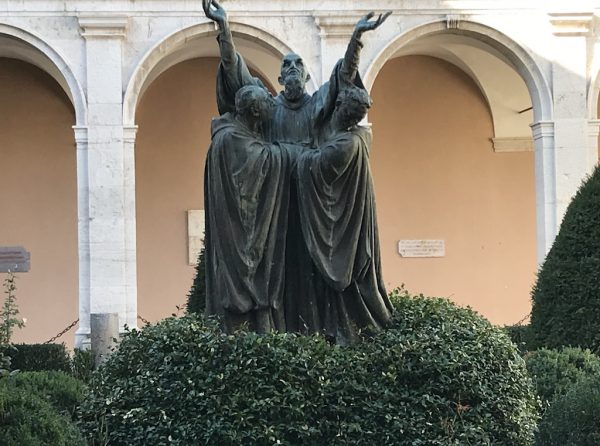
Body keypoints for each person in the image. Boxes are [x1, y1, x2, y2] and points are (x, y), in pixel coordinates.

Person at [294, 86, 393, 343]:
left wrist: (296, 152)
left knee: (344, 282)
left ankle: (352, 332)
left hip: (343, 233)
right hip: (351, 223)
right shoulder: (359, 137)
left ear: (339, 109)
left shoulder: (344, 145)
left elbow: (309, 165)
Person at [204, 85, 295, 333]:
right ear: (255, 109)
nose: (273, 106)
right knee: (247, 276)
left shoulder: (234, 135)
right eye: (268, 102)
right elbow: (259, 165)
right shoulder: (233, 139)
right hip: (240, 232)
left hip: (241, 227)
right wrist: (292, 153)